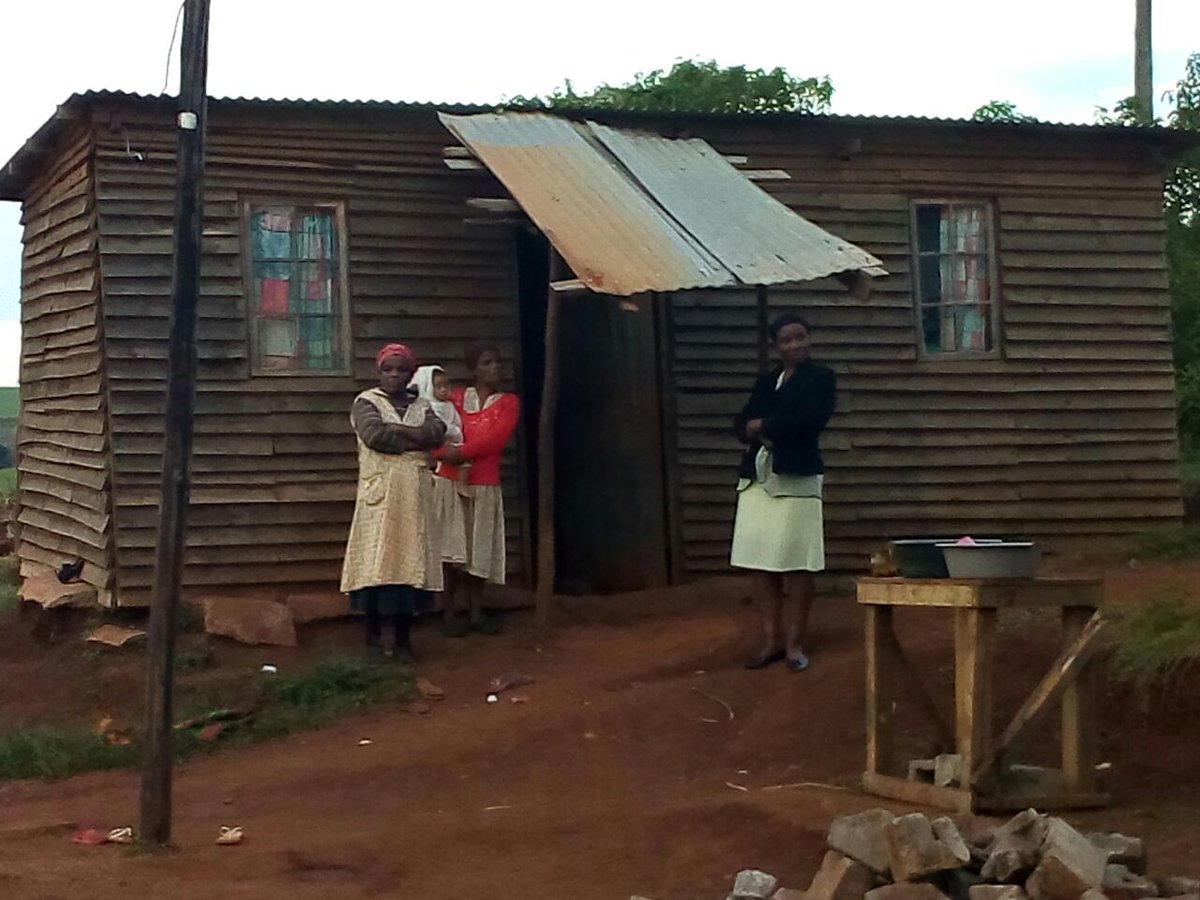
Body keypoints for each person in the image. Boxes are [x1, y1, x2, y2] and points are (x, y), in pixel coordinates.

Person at [731, 313, 836, 673]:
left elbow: (811, 421)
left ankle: (795, 642)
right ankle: (771, 640)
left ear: (809, 338)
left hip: (796, 475)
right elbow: (740, 423)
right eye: (787, 340)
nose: (795, 345)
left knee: (798, 560)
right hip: (759, 477)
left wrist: (765, 424)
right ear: (775, 346)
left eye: (801, 337)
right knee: (762, 561)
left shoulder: (820, 378)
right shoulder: (766, 382)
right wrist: (754, 427)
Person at [340, 343, 447, 660]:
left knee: (409, 564)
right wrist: (416, 440)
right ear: (379, 371)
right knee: (377, 562)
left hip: (414, 498)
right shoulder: (366, 402)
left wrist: (399, 429)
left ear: (410, 374)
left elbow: (436, 434)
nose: (394, 375)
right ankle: (373, 639)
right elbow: (375, 437)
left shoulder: (422, 405)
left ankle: (403, 641)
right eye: (388, 369)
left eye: (401, 370)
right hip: (381, 497)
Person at [436, 341, 521, 636]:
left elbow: (495, 440)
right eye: (486, 362)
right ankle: (448, 614)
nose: (494, 367)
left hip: (484, 483)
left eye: (497, 361)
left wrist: (457, 453)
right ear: (473, 368)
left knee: (479, 551)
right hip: (450, 482)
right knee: (451, 552)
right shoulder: (456, 398)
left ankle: (475, 613)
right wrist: (441, 453)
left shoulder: (508, 403)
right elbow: (436, 428)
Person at [409, 364, 469, 576]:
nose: (444, 390)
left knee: (464, 459)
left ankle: (462, 481)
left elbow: (457, 426)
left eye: (446, 386)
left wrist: (455, 435)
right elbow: (435, 430)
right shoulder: (425, 408)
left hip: (453, 448)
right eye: (438, 386)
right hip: (436, 465)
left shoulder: (449, 407)